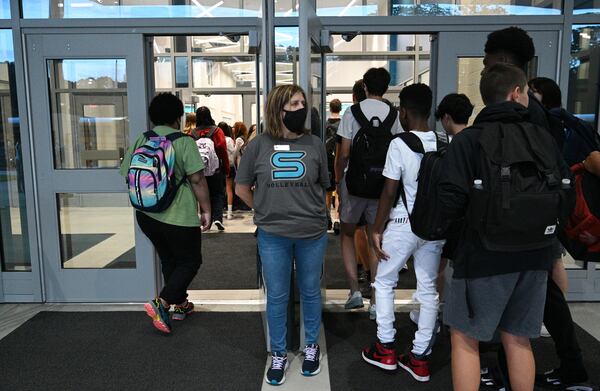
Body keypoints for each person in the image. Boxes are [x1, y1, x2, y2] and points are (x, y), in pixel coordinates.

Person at [439, 63, 572, 391]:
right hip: (536, 254)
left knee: (466, 339)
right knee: (520, 338)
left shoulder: (469, 140)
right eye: (527, 92)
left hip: (481, 257)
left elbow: (449, 202)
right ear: (516, 93)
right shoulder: (542, 138)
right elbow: (564, 191)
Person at [483, 27, 590, 389]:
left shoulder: (526, 114)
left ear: (503, 61)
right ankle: (566, 364)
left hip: (526, 222)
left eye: (488, 59)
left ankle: (512, 369)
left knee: (527, 298)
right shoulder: (537, 112)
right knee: (542, 296)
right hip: (538, 220)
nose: (484, 67)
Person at [235, 84, 329, 386]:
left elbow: (324, 186)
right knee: (277, 296)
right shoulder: (258, 146)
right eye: (293, 104)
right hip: (273, 235)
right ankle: (278, 352)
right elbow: (241, 188)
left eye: (302, 102)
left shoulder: (315, 144)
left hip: (312, 233)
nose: (300, 108)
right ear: (278, 109)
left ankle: (311, 346)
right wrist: (263, 211)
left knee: (310, 291)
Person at [362, 83, 444, 383]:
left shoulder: (399, 144)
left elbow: (389, 190)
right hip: (434, 227)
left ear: (403, 112)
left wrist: (376, 228)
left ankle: (386, 348)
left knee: (384, 282)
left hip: (402, 223)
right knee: (428, 289)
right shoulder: (442, 141)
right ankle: (420, 357)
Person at [120, 93, 211, 333]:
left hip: (146, 215)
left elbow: (125, 173)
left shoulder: (142, 139)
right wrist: (207, 210)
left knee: (170, 259)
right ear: (178, 117)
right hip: (178, 216)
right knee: (190, 261)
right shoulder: (183, 142)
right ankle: (162, 303)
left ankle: (180, 305)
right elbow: (198, 179)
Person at [335, 68, 401, 312]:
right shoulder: (394, 115)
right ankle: (375, 299)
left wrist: (339, 180)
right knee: (377, 238)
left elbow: (343, 154)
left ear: (364, 86)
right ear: (386, 87)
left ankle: (354, 291)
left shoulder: (351, 113)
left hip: (354, 184)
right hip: (382, 186)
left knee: (348, 234)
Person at [410, 92, 474, 328]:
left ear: (446, 117)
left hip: (451, 219)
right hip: (473, 220)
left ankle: (432, 315)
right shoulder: (478, 141)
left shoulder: (454, 146)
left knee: (436, 269)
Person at [529, 77, 600, 167]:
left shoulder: (558, 123)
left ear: (547, 95)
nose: (529, 95)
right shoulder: (558, 119)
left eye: (533, 91)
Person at [193, 107, 230, 231]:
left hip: (198, 170)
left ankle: (205, 220)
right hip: (215, 170)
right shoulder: (217, 131)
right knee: (218, 194)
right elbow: (222, 151)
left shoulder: (192, 133)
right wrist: (226, 169)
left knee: (203, 195)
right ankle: (217, 218)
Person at [325, 99, 342, 230]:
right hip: (340, 159)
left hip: (327, 161)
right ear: (340, 109)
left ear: (330, 109)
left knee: (328, 192)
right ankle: (337, 219)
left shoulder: (324, 125)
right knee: (339, 191)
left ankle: (327, 219)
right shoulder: (343, 124)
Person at [219, 121, 236, 220]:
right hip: (229, 166)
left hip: (218, 167)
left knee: (220, 190)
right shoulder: (229, 139)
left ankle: (219, 212)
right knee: (229, 189)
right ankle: (229, 213)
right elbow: (233, 152)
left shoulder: (216, 138)